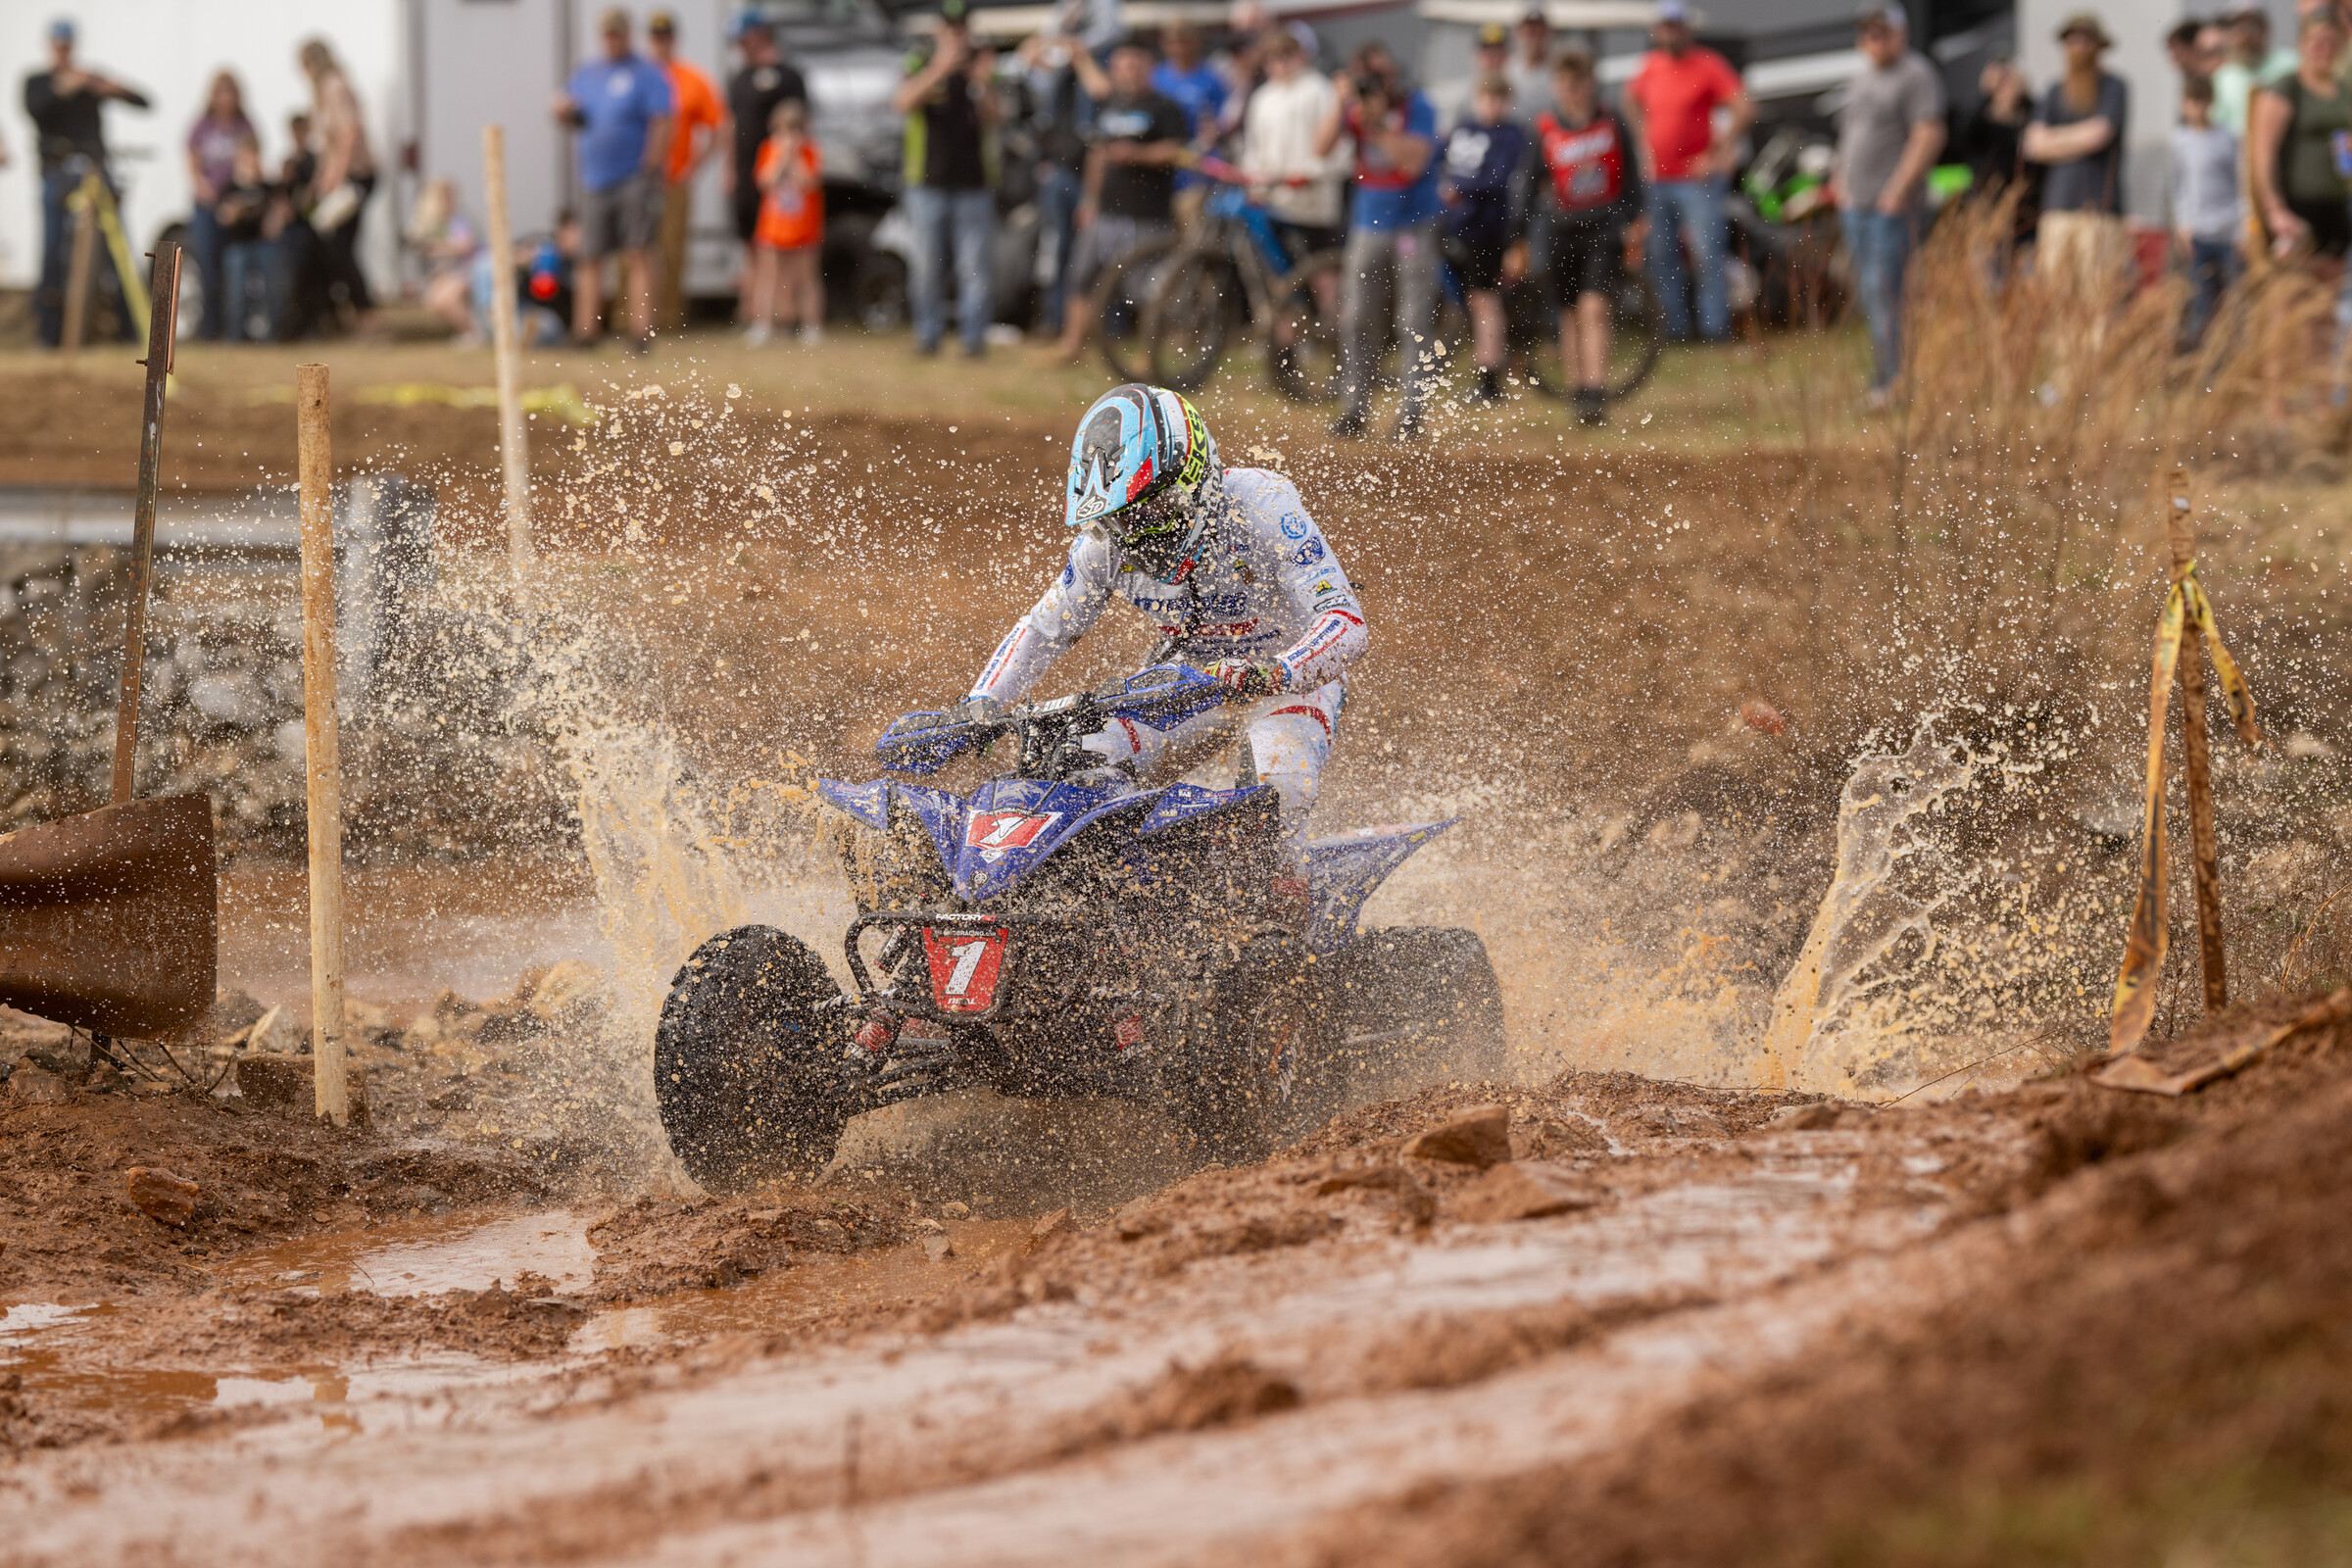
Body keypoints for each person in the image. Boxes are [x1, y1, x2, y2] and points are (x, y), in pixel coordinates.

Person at [963, 383, 1368, 890]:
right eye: (1119, 519)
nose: (1136, 535)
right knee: (1078, 756)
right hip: (1183, 685)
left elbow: (1346, 621)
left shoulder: (1265, 503)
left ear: (1196, 476)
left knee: (1277, 780)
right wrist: (980, 704)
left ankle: (1285, 921)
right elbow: (1043, 631)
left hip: (1290, 682)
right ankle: (1106, 897)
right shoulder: (1104, 544)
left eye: (1149, 511)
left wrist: (1275, 672)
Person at [1316, 44, 1442, 439]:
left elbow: (1414, 160)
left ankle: (1411, 413)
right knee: (1355, 317)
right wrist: (1341, 105)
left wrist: (1377, 127)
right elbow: (1319, 148)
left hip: (1414, 224)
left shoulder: (1417, 105)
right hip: (1367, 223)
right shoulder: (1353, 110)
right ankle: (1355, 407)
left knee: (1413, 319)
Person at [1832, 2, 1944, 409]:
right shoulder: (1861, 79)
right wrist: (1839, 180)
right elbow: (1851, 134)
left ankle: (1892, 382)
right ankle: (1884, 376)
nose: (1875, 41)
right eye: (1868, 34)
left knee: (1887, 292)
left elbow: (1928, 134)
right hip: (1855, 205)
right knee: (1868, 291)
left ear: (1901, 34)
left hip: (1889, 208)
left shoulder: (1916, 75)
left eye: (1882, 33)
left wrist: (1898, 189)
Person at [1623, 0, 1751, 344]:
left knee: (1708, 253)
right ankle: (1673, 329)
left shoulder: (1707, 64)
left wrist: (1717, 152)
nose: (1671, 31)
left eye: (1676, 25)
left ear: (1687, 29)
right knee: (1661, 255)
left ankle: (1715, 329)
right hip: (1658, 180)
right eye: (1665, 25)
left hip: (1698, 180)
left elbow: (1743, 106)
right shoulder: (1649, 66)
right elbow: (1629, 101)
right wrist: (1642, 145)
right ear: (1656, 30)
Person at [1054, 41, 1188, 363]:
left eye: (1134, 65)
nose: (1127, 73)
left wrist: (1137, 154)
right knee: (1082, 276)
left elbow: (1175, 150)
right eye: (1121, 66)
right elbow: (1098, 155)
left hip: (1147, 215)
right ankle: (1071, 347)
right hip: (1105, 212)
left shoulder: (1165, 107)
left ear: (1148, 68)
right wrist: (1088, 200)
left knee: (1147, 289)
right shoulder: (1110, 106)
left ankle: (1149, 355)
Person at [24, 18, 150, 348]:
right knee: (53, 250)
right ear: (51, 45)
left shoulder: (89, 79)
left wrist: (112, 87)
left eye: (68, 44)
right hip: (58, 173)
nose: (64, 50)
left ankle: (130, 332)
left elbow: (144, 102)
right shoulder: (37, 81)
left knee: (117, 248)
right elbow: (35, 109)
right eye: (59, 44)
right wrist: (65, 87)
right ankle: (49, 335)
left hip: (95, 171)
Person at [1534, 47, 1643, 424]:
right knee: (1568, 314)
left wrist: (1635, 219)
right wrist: (1517, 238)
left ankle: (1596, 390)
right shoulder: (1547, 128)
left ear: (1591, 84)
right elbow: (1528, 184)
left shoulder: (1612, 123)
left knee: (1595, 307)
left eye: (1579, 83)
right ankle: (1578, 390)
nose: (1573, 91)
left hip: (1604, 225)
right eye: (1566, 84)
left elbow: (1632, 177)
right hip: (1561, 229)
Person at [555, 8, 673, 353]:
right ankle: (585, 332)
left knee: (639, 253)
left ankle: (641, 333)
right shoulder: (587, 74)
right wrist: (562, 109)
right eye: (608, 33)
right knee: (589, 256)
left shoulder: (647, 74)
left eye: (618, 33)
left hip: (635, 175)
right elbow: (567, 109)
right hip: (594, 179)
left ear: (627, 35)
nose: (613, 39)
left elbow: (662, 121)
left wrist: (650, 167)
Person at [893, 0, 1001, 358]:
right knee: (925, 266)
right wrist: (940, 68)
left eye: (961, 27)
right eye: (950, 27)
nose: (956, 33)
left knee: (975, 269)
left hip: (975, 183)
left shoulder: (983, 62)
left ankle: (973, 341)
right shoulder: (920, 59)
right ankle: (928, 336)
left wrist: (981, 83)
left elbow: (996, 117)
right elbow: (903, 102)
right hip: (926, 182)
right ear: (939, 29)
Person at [2022, 13, 2130, 327]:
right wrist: (2076, 138)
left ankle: (2093, 373)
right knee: (2057, 298)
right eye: (2072, 39)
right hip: (2057, 208)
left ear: (2098, 45)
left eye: (2084, 39)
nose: (2078, 46)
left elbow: (2100, 134)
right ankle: (2064, 375)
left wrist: (2054, 140)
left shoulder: (2114, 86)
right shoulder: (2055, 91)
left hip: (2099, 209)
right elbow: (2032, 145)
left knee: (2097, 301)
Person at [1441, 74, 1530, 407]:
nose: (1491, 106)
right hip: (1457, 226)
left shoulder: (1510, 134)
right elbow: (1445, 163)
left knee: (1484, 300)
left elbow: (1498, 179)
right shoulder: (1463, 128)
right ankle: (1485, 367)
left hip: (1488, 228)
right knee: (1470, 300)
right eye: (1486, 98)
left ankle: (1490, 377)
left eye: (1498, 99)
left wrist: (1459, 190)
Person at [2250, 12, 2351, 278]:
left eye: (2331, 42)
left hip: (2335, 203)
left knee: (2327, 299)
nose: (2324, 49)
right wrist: (2275, 209)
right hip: (2296, 208)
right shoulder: (2287, 86)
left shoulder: (2341, 89)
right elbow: (2263, 153)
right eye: (2317, 41)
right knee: (2294, 296)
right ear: (2302, 44)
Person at [1241, 26, 1347, 264]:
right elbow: (1254, 148)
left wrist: (1311, 174)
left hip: (1313, 203)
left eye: (1286, 55)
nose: (1280, 63)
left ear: (1300, 55)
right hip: (1274, 202)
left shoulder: (1319, 90)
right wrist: (1254, 184)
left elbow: (1339, 147)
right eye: (1273, 57)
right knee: (1274, 264)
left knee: (1320, 270)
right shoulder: (1262, 98)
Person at [726, 15, 809, 314]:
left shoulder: (789, 77)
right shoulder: (740, 78)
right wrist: (730, 169)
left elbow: (802, 124)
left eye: (743, 38)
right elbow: (731, 126)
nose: (740, 46)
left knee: (787, 248)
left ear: (759, 34)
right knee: (751, 243)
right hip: (750, 173)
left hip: (782, 177)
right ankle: (755, 311)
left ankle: (787, 312)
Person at [1018, 19, 1096, 337]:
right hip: (1058, 175)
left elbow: (1100, 87)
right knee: (1057, 252)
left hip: (1088, 178)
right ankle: (1054, 320)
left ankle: (1095, 327)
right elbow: (1025, 59)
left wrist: (1081, 55)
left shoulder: (1093, 72)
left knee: (1089, 255)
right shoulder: (1053, 79)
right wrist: (1051, 41)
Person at [648, 10, 724, 333]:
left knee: (672, 248)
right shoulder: (641, 76)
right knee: (634, 250)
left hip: (675, 178)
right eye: (656, 36)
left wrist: (693, 167)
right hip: (639, 179)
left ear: (673, 39)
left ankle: (669, 318)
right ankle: (630, 317)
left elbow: (718, 126)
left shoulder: (692, 79)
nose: (661, 43)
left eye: (666, 36)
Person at [298, 38, 379, 332]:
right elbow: (328, 147)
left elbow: (349, 132)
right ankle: (348, 313)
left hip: (355, 178)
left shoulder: (333, 86)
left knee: (339, 247)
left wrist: (336, 177)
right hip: (342, 179)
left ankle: (367, 315)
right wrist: (320, 181)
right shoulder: (323, 92)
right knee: (333, 246)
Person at [747, 99, 825, 344]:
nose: (789, 136)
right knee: (768, 276)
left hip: (804, 226)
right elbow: (763, 181)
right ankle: (763, 324)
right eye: (783, 130)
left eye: (795, 130)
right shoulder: (769, 149)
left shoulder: (811, 151)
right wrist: (781, 157)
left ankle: (811, 325)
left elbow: (810, 182)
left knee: (806, 277)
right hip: (773, 226)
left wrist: (795, 157)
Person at [2173, 73, 2241, 351]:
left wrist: (2242, 228)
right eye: (2191, 102)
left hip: (2227, 229)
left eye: (2201, 102)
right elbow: (2178, 185)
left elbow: (2239, 183)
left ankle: (2231, 359)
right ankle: (2200, 364)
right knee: (2201, 300)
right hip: (2198, 232)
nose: (2196, 109)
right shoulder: (2179, 140)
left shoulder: (2226, 138)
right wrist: (2183, 224)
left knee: (2233, 300)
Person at [186, 72, 254, 342]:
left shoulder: (244, 126)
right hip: (207, 205)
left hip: (234, 204)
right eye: (220, 92)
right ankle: (209, 325)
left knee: (233, 265)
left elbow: (252, 157)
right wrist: (202, 185)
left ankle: (233, 325)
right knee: (207, 265)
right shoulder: (202, 126)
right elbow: (191, 160)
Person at [1961, 56, 2042, 246]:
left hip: (2027, 212)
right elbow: (1965, 137)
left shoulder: (2033, 113)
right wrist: (1988, 96)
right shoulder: (1980, 116)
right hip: (1986, 209)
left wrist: (2019, 98)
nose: (2004, 83)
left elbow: (2034, 148)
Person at [1152, 22, 1226, 224]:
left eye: (1184, 42)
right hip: (1160, 169)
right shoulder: (1156, 77)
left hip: (1194, 169)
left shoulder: (1211, 79)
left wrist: (1212, 135)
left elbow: (1220, 122)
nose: (1179, 49)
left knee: (1192, 230)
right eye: (1173, 43)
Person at [214, 137, 277, 343]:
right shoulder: (230, 188)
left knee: (273, 281)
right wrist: (236, 210)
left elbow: (278, 212)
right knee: (235, 287)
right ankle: (234, 335)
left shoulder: (265, 187)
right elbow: (222, 217)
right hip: (238, 245)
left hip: (262, 244)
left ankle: (273, 333)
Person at [409, 175, 482, 342]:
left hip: (469, 269)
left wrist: (440, 247)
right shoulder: (429, 222)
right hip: (445, 274)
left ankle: (474, 333)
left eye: (449, 196)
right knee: (433, 303)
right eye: (442, 196)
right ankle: (467, 331)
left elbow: (465, 246)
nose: (447, 200)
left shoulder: (460, 219)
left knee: (446, 300)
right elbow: (420, 245)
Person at [2213, 5, 2298, 134]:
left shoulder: (2290, 62)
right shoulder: (2223, 76)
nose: (2245, 37)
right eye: (2240, 30)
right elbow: (2217, 123)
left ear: (2265, 30)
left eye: (2252, 29)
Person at [1510, 10, 1556, 116]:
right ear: (1517, 35)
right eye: (1529, 33)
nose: (1535, 39)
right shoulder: (1506, 69)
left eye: (1540, 33)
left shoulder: (1560, 70)